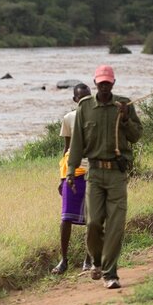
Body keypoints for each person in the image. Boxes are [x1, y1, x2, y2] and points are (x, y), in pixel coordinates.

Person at [67, 65, 143, 290]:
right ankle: (97, 261)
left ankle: (110, 273)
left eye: (108, 83)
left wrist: (126, 118)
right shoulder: (85, 107)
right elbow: (77, 142)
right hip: (94, 173)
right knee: (93, 223)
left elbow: (136, 136)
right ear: (95, 83)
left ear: (113, 83)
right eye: (101, 83)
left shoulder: (124, 105)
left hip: (117, 174)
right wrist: (71, 171)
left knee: (115, 226)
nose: (104, 86)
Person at [51, 83, 93, 275]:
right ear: (75, 100)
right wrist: (62, 177)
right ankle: (64, 260)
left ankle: (88, 259)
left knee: (92, 219)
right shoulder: (68, 118)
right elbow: (66, 150)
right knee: (66, 218)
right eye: (81, 97)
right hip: (72, 174)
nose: (85, 100)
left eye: (88, 97)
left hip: (92, 173)